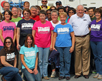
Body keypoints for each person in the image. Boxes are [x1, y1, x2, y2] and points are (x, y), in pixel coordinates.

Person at [69, 5, 91, 79]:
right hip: (76, 38)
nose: (80, 11)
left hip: (86, 37)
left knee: (86, 55)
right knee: (77, 56)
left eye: (82, 10)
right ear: (76, 10)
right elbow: (70, 28)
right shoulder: (72, 17)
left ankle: (85, 72)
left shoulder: (87, 16)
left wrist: (88, 31)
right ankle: (78, 72)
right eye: (79, 10)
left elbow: (90, 25)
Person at [32, 10, 54, 80]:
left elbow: (52, 34)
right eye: (40, 16)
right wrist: (34, 43)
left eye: (43, 16)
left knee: (46, 61)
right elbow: (33, 34)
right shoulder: (36, 24)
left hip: (47, 45)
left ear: (45, 16)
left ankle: (45, 74)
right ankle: (40, 74)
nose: (42, 17)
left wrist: (51, 44)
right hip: (38, 45)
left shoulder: (49, 23)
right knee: (40, 61)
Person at [53, 12, 75, 80]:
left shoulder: (69, 26)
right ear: (60, 18)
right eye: (61, 17)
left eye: (64, 17)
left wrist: (72, 46)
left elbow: (73, 36)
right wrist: (53, 46)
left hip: (68, 45)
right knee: (61, 61)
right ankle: (61, 74)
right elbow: (54, 37)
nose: (62, 19)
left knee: (67, 60)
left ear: (66, 18)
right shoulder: (57, 26)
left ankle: (67, 74)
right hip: (59, 46)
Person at [90, 8, 102, 80]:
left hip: (100, 41)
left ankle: (101, 73)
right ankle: (97, 72)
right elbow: (89, 30)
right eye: (96, 13)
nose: (97, 14)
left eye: (98, 13)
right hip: (92, 41)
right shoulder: (92, 22)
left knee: (100, 57)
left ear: (100, 14)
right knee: (96, 57)